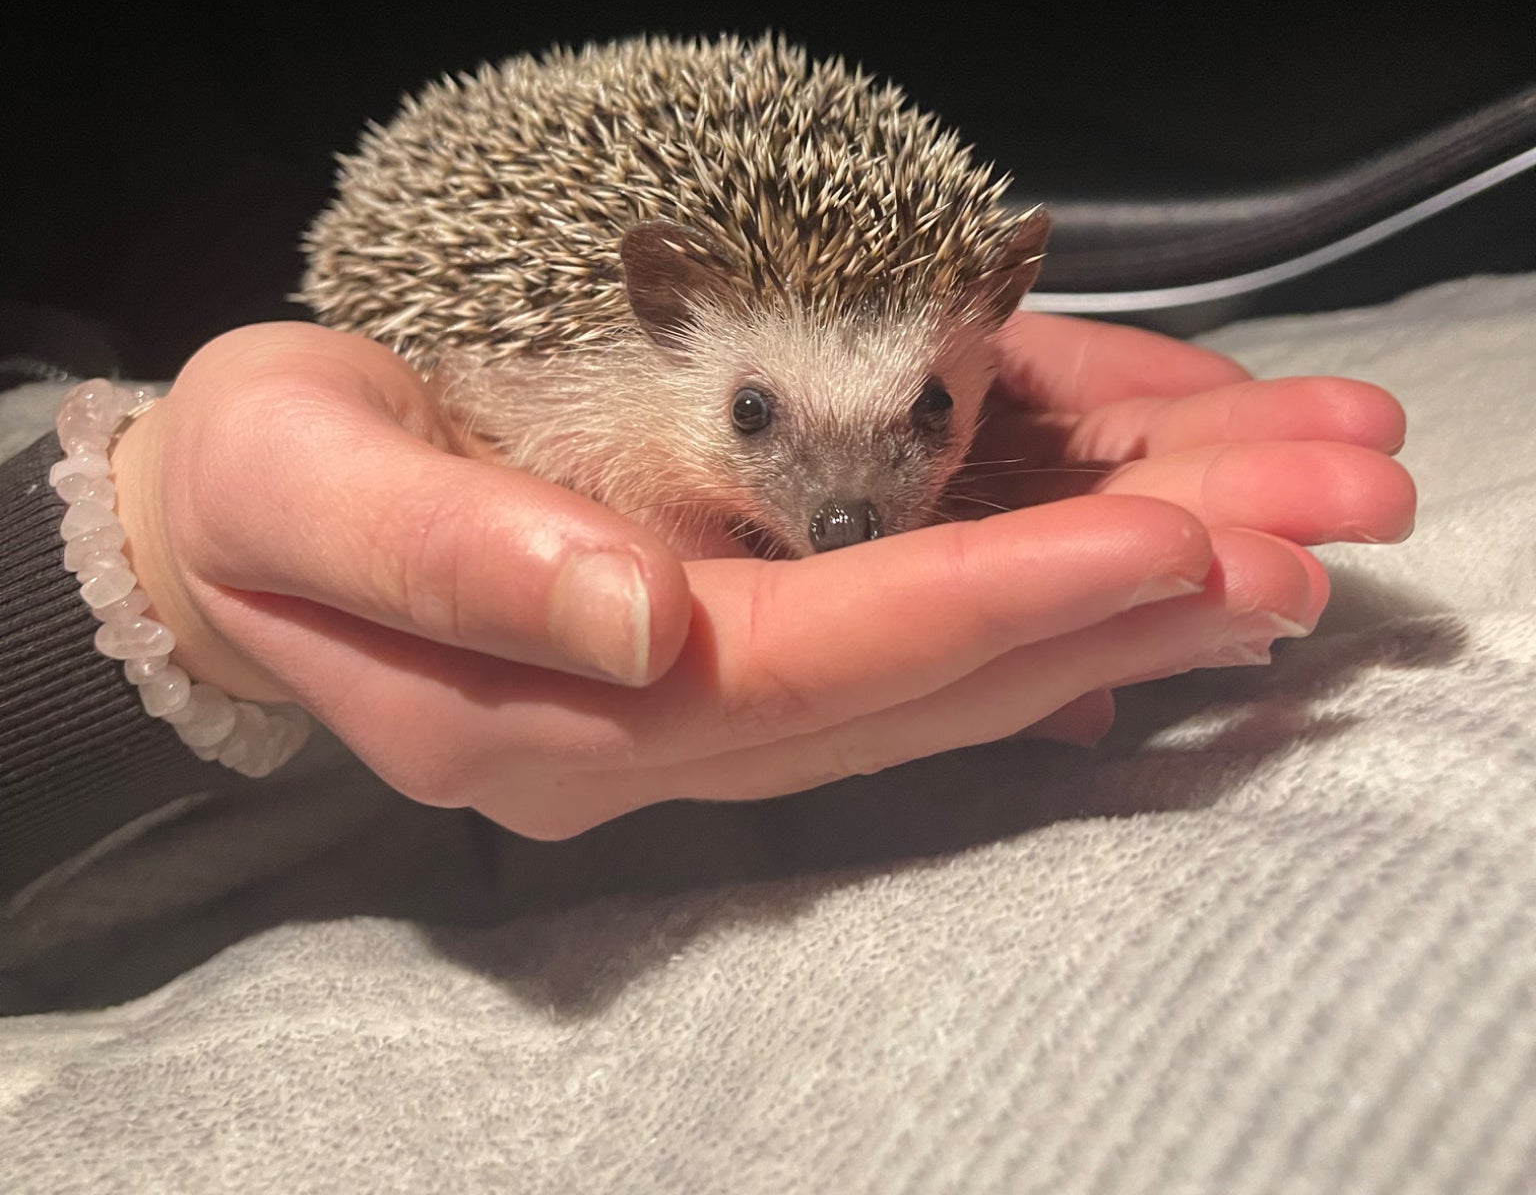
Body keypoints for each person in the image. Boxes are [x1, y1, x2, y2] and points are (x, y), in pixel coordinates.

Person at [0, 312, 1414, 900]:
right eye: (759, 417)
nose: (853, 507)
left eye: (925, 415)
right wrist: (159, 555)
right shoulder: (572, 377)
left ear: (989, 326)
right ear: (656, 319)